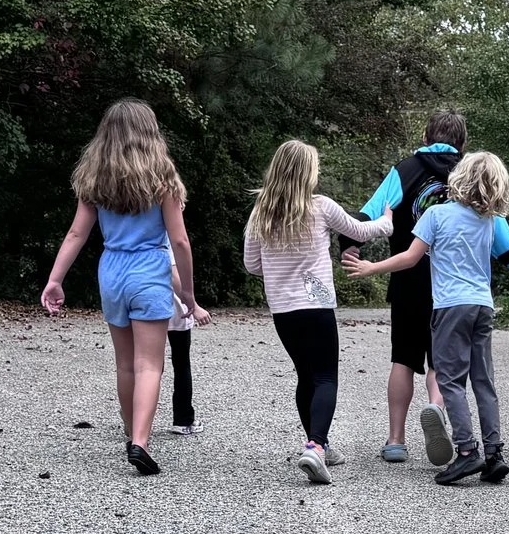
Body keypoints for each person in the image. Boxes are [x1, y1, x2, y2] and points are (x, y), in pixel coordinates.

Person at [343, 150, 509, 485]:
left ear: (460, 178)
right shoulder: (489, 221)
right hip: (483, 307)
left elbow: (410, 259)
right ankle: (494, 452)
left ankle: (467, 452)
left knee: (450, 380)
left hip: (450, 308)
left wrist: (372, 267)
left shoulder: (436, 215)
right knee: (483, 381)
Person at [39, 99, 204, 475]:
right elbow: (179, 242)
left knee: (125, 364)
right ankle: (141, 443)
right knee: (150, 365)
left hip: (111, 271)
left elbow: (77, 233)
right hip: (149, 271)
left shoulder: (94, 177)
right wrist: (189, 295)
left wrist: (55, 279)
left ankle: (132, 434)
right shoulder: (163, 177)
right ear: (150, 133)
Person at [243, 138, 390, 483]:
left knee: (305, 376)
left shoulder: (260, 212)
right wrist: (387, 220)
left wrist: (279, 268)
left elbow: (251, 265)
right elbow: (360, 230)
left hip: (283, 310)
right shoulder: (320, 206)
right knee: (325, 377)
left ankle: (317, 442)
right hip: (317, 305)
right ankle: (317, 447)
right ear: (307, 173)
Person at [359, 111, 467, 464]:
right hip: (453, 285)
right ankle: (435, 408)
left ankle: (395, 440)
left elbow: (369, 215)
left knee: (403, 359)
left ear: (425, 137)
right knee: (441, 362)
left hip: (406, 277)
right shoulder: (470, 175)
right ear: (462, 144)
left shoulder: (403, 171)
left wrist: (350, 246)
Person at [166, 244, 200, 436]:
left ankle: (135, 416)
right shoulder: (169, 237)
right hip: (176, 308)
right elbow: (172, 274)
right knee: (181, 363)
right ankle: (183, 419)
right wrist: (193, 304)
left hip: (144, 304)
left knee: (145, 365)